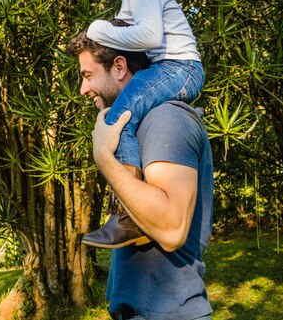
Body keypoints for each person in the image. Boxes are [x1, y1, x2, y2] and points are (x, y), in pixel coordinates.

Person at [76, 0, 205, 248]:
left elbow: (147, 38)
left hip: (180, 68)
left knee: (122, 118)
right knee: (125, 115)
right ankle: (127, 214)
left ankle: (128, 217)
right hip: (170, 68)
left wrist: (97, 28)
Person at [68, 34, 214, 320]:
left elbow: (172, 230)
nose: (83, 89)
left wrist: (104, 159)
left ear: (120, 67)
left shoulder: (165, 119)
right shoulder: (139, 127)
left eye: (88, 75)